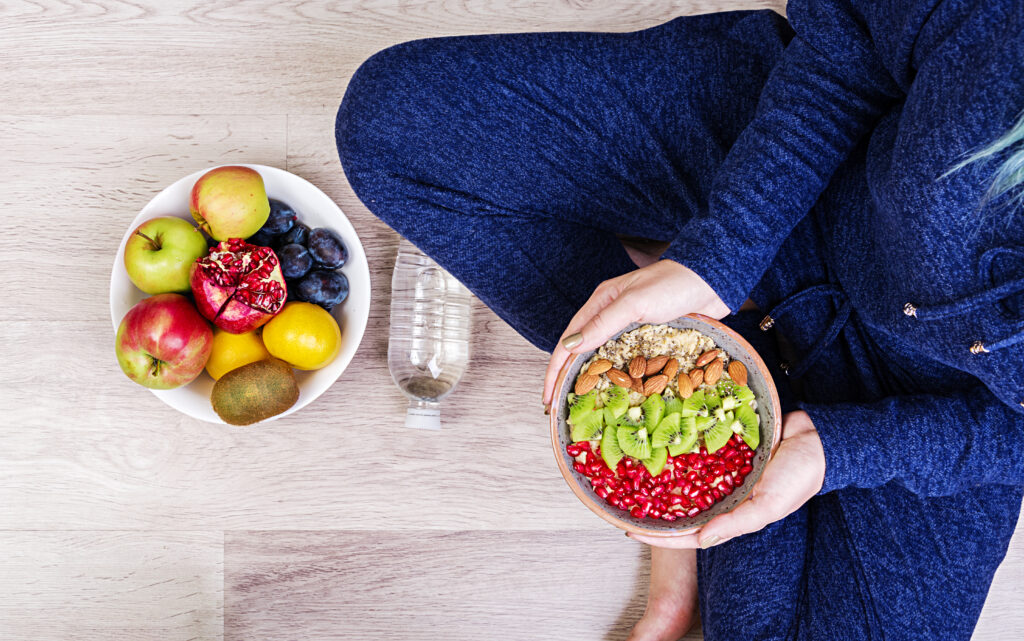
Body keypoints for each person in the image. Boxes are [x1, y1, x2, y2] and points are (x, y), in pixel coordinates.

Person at [335, 1, 1024, 638]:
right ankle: (702, 336)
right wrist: (716, 256)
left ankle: (731, 367)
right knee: (393, 128)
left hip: (953, 407)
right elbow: (849, 36)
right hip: (808, 168)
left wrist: (846, 450)